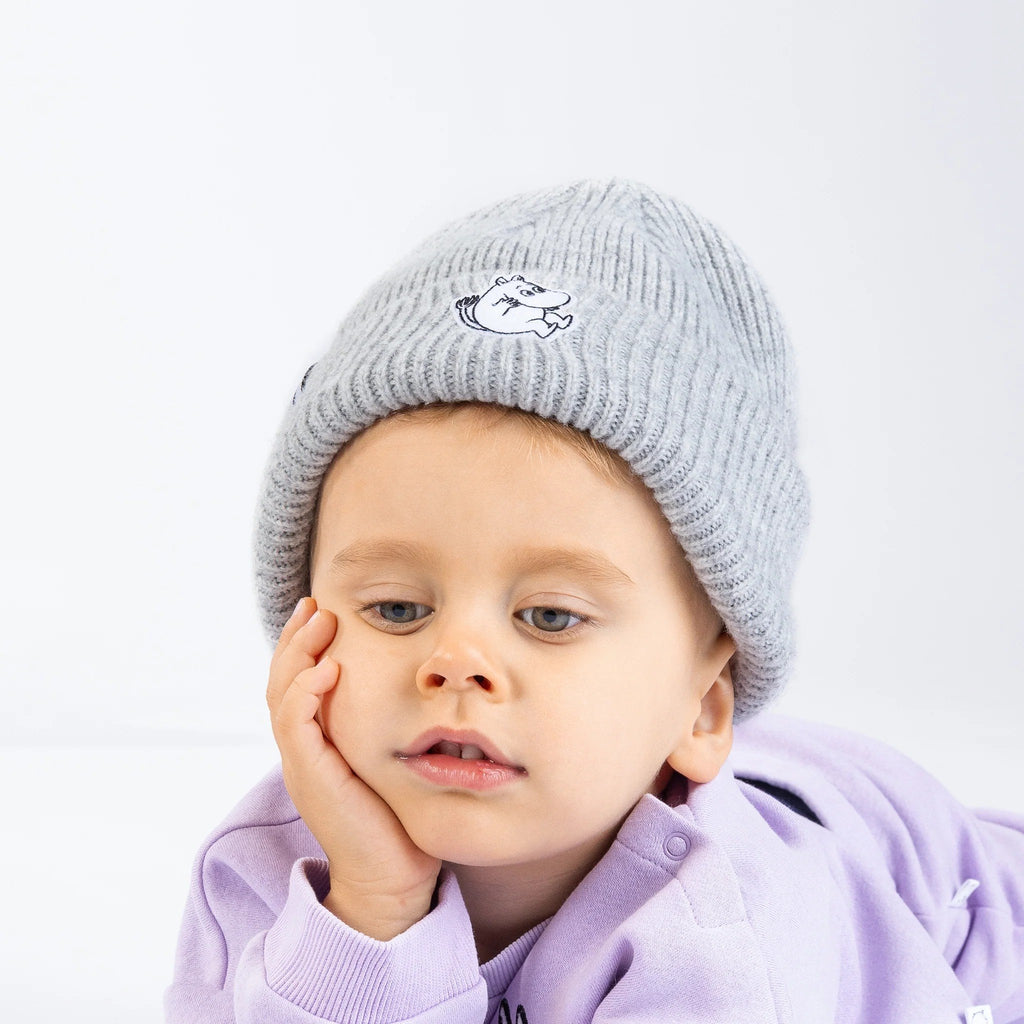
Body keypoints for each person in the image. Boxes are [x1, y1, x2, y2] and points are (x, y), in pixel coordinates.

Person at [165, 179, 1024, 1023]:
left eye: (549, 617)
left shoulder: (727, 941)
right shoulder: (262, 870)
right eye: (395, 608)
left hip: (943, 880)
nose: (454, 661)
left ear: (703, 708)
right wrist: (371, 909)